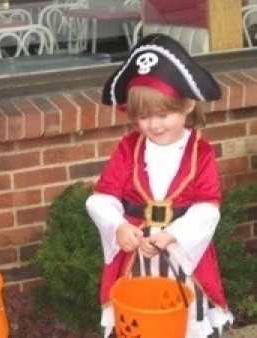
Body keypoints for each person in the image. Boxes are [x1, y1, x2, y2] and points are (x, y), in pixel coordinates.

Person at [86, 34, 234, 338]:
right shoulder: (128, 148)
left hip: (182, 257)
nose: (153, 125)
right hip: (135, 257)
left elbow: (208, 208)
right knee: (141, 323)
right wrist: (118, 227)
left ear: (188, 105)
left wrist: (173, 235)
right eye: (142, 117)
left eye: (163, 115)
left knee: (185, 321)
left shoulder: (201, 153)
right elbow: (102, 197)